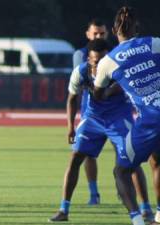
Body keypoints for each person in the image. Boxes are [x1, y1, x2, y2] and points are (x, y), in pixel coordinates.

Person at [49, 39, 149, 222]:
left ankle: (146, 209)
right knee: (75, 157)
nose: (99, 64)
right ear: (88, 58)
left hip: (119, 119)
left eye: (103, 60)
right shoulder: (81, 71)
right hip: (93, 119)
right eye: (96, 61)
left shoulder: (119, 70)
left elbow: (124, 88)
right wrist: (71, 127)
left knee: (132, 161)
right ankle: (64, 209)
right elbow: (72, 98)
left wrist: (108, 91)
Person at [94, 6, 160, 225]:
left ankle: (137, 220)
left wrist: (114, 86)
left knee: (122, 171)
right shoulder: (154, 43)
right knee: (157, 161)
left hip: (150, 121)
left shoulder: (107, 62)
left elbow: (98, 93)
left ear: (114, 30)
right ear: (138, 28)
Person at [73, 19, 108, 205]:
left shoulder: (113, 53)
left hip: (116, 113)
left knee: (127, 155)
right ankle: (94, 194)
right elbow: (79, 85)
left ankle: (127, 190)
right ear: (88, 34)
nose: (98, 36)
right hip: (91, 112)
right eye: (95, 33)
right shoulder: (81, 56)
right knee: (87, 154)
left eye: (102, 33)